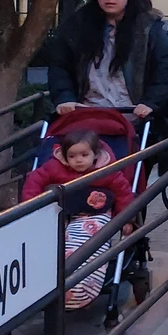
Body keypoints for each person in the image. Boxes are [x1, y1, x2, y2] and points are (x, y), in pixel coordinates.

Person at [21, 129, 138, 309]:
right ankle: (44, 281)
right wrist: (31, 206)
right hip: (63, 213)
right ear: (64, 156)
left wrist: (126, 219)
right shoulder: (54, 167)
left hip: (95, 215)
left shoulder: (107, 170)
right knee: (50, 240)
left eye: (84, 155)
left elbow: (123, 193)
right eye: (73, 156)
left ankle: (79, 285)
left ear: (95, 154)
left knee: (87, 243)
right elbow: (34, 182)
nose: (79, 160)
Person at [49, 0, 168, 122]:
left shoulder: (149, 28)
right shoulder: (77, 26)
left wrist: (150, 103)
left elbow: (164, 72)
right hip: (86, 113)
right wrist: (64, 97)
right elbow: (59, 67)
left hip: (133, 115)